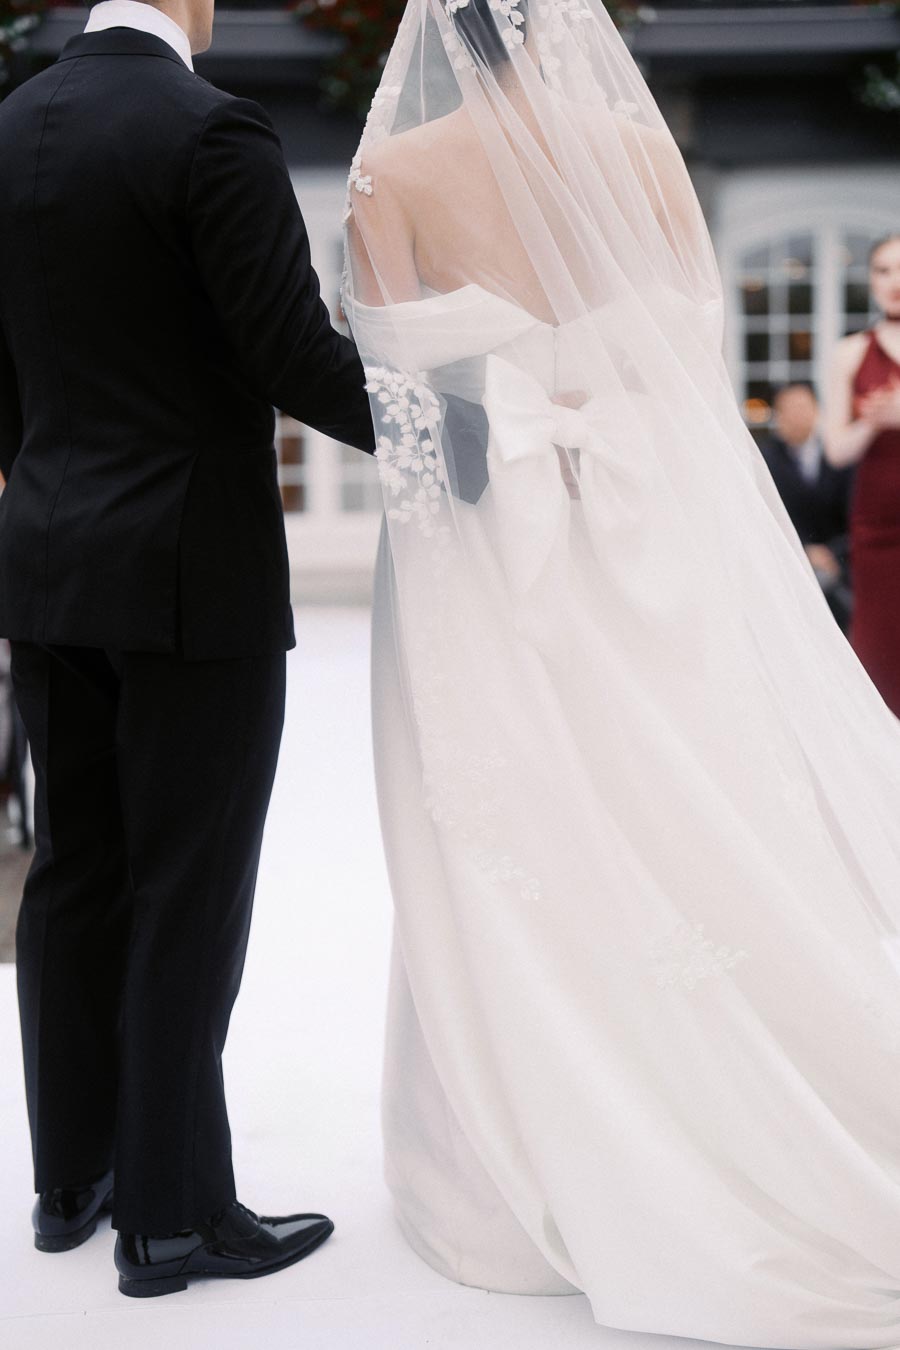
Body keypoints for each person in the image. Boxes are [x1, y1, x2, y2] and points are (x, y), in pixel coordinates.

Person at [345, 1, 900, 1344]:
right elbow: (688, 368)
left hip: (496, 551)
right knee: (691, 792)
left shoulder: (389, 180)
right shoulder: (643, 154)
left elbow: (400, 410)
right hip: (652, 533)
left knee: (519, 822)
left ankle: (536, 1139)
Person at [0, 0, 374, 1298]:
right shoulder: (211, 130)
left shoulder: (11, 126)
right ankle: (172, 1216)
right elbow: (292, 354)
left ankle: (73, 1180)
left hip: (46, 557)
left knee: (74, 869)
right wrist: (454, 439)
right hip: (189, 569)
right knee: (185, 887)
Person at [824, 234, 900, 715]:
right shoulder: (851, 352)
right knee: (877, 652)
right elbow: (836, 451)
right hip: (877, 526)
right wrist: (875, 421)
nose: (894, 282)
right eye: (883, 271)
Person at [759, 382, 853, 632]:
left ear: (816, 410)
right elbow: (764, 516)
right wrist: (803, 550)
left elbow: (855, 514)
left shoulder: (839, 455)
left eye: (802, 407)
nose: (796, 415)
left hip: (841, 564)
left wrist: (833, 553)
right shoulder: (764, 460)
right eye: (787, 409)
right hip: (787, 562)